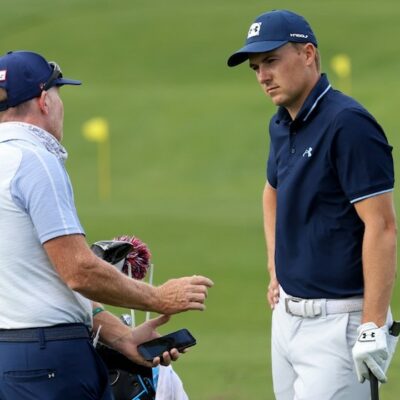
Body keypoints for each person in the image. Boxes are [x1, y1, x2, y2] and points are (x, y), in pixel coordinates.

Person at [0, 50, 213, 400]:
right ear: (43, 100)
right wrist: (159, 297)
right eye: (58, 93)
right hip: (51, 362)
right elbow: (78, 271)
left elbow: (36, 276)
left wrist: (120, 336)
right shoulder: (36, 159)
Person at [227, 9, 398, 399]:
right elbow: (272, 190)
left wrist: (372, 325)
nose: (262, 76)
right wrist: (275, 264)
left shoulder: (349, 124)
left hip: (341, 325)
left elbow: (382, 226)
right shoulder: (282, 122)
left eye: (271, 60)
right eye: (255, 67)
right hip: (286, 323)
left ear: (308, 54)